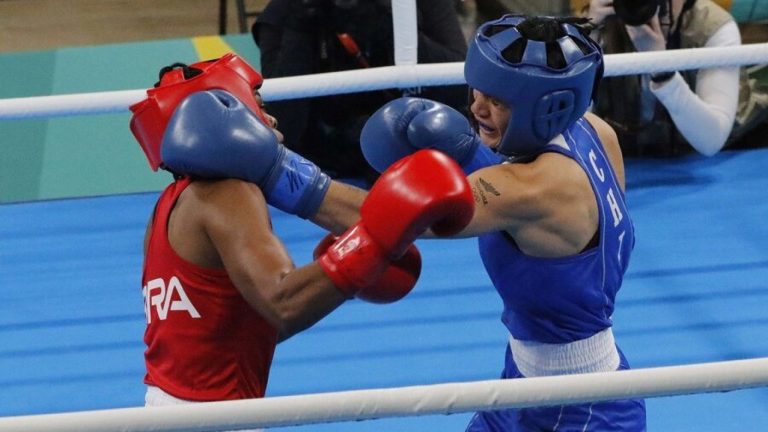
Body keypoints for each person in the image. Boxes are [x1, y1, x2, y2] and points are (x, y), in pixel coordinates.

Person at [154, 15, 647, 431]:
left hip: (578, 407)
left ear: (548, 107)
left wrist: (276, 170)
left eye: (498, 101)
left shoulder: (535, 189)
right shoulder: (594, 132)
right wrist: (472, 152)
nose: (476, 105)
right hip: (527, 377)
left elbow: (400, 218)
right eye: (478, 88)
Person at [127, 54, 475, 412]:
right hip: (212, 418)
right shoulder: (227, 195)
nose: (273, 118)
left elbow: (241, 331)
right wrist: (367, 247)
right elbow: (284, 305)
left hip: (175, 408)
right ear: (226, 115)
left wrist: (341, 271)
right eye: (258, 106)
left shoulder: (171, 203)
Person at [251, 0, 469, 181]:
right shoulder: (287, 12)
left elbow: (462, 89)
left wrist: (398, 31)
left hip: (417, 145)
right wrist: (300, 29)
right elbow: (284, 128)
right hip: (328, 164)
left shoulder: (411, 4)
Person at [585, 0, 768, 157]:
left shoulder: (712, 26)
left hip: (734, 151)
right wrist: (587, 39)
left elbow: (711, 141)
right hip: (633, 159)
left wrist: (662, 70)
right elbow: (574, 131)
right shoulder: (600, 22)